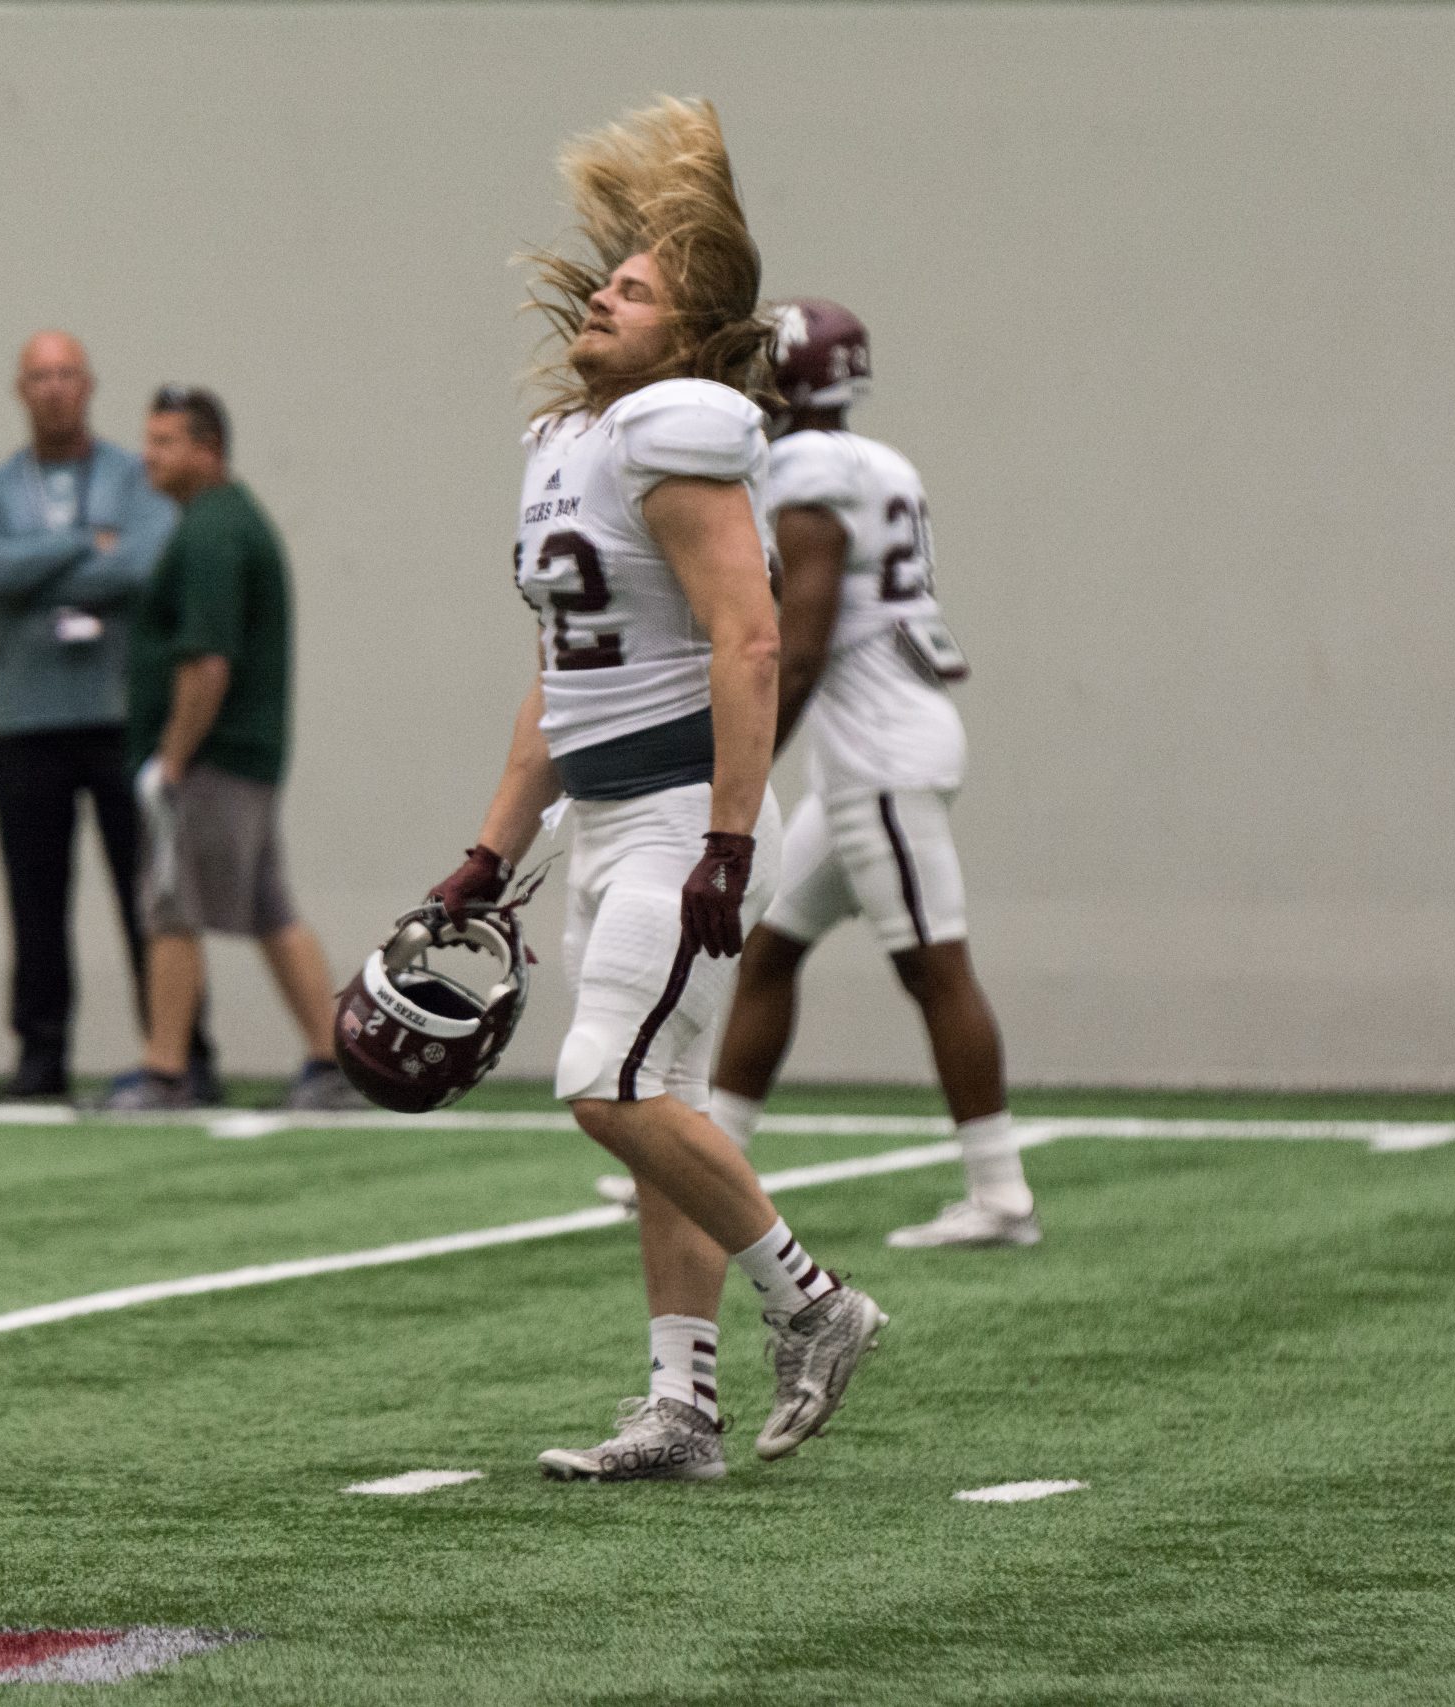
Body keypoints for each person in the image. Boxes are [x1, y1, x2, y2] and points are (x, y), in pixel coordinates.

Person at [426, 98, 885, 1483]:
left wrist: (733, 840)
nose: (604, 296)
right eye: (609, 279)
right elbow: (559, 677)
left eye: (636, 291)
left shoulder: (677, 432)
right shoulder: (572, 442)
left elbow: (753, 637)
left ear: (689, 339)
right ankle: (681, 1404)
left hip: (689, 811)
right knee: (659, 1102)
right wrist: (485, 854)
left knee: (605, 1078)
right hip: (610, 816)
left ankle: (814, 1301)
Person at [696, 300, 1037, 1246]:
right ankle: (710, 1162)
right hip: (887, 743)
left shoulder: (801, 474)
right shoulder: (884, 464)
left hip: (878, 755)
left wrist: (742, 769)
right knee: (771, 948)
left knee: (934, 964)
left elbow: (798, 646)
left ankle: (1001, 1192)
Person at [0, 331, 217, 1103]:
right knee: (34, 904)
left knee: (151, 895)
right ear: (20, 389)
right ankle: (40, 1058)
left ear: (89, 385)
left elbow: (146, 558)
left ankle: (179, 1052)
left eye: (68, 374)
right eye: (41, 376)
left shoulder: (134, 479)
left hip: (119, 719)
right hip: (24, 724)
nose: (55, 388)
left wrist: (34, 566)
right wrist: (78, 544)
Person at [105, 386, 361, 1113]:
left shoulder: (211, 532)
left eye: (164, 442)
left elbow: (206, 659)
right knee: (269, 907)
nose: (148, 456)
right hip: (243, 755)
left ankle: (164, 1070)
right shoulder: (224, 520)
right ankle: (331, 1059)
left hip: (213, 757)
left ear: (206, 450)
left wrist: (172, 759)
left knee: (169, 905)